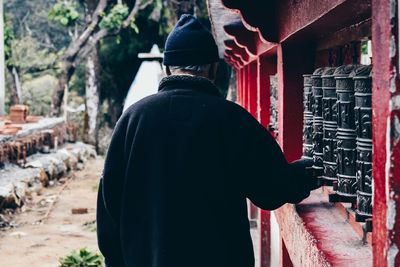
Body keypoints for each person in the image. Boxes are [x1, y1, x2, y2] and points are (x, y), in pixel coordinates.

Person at [97, 14, 318, 267]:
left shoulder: (132, 120)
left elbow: (108, 206)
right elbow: (272, 190)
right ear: (214, 69)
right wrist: (306, 171)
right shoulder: (232, 119)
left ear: (167, 68)